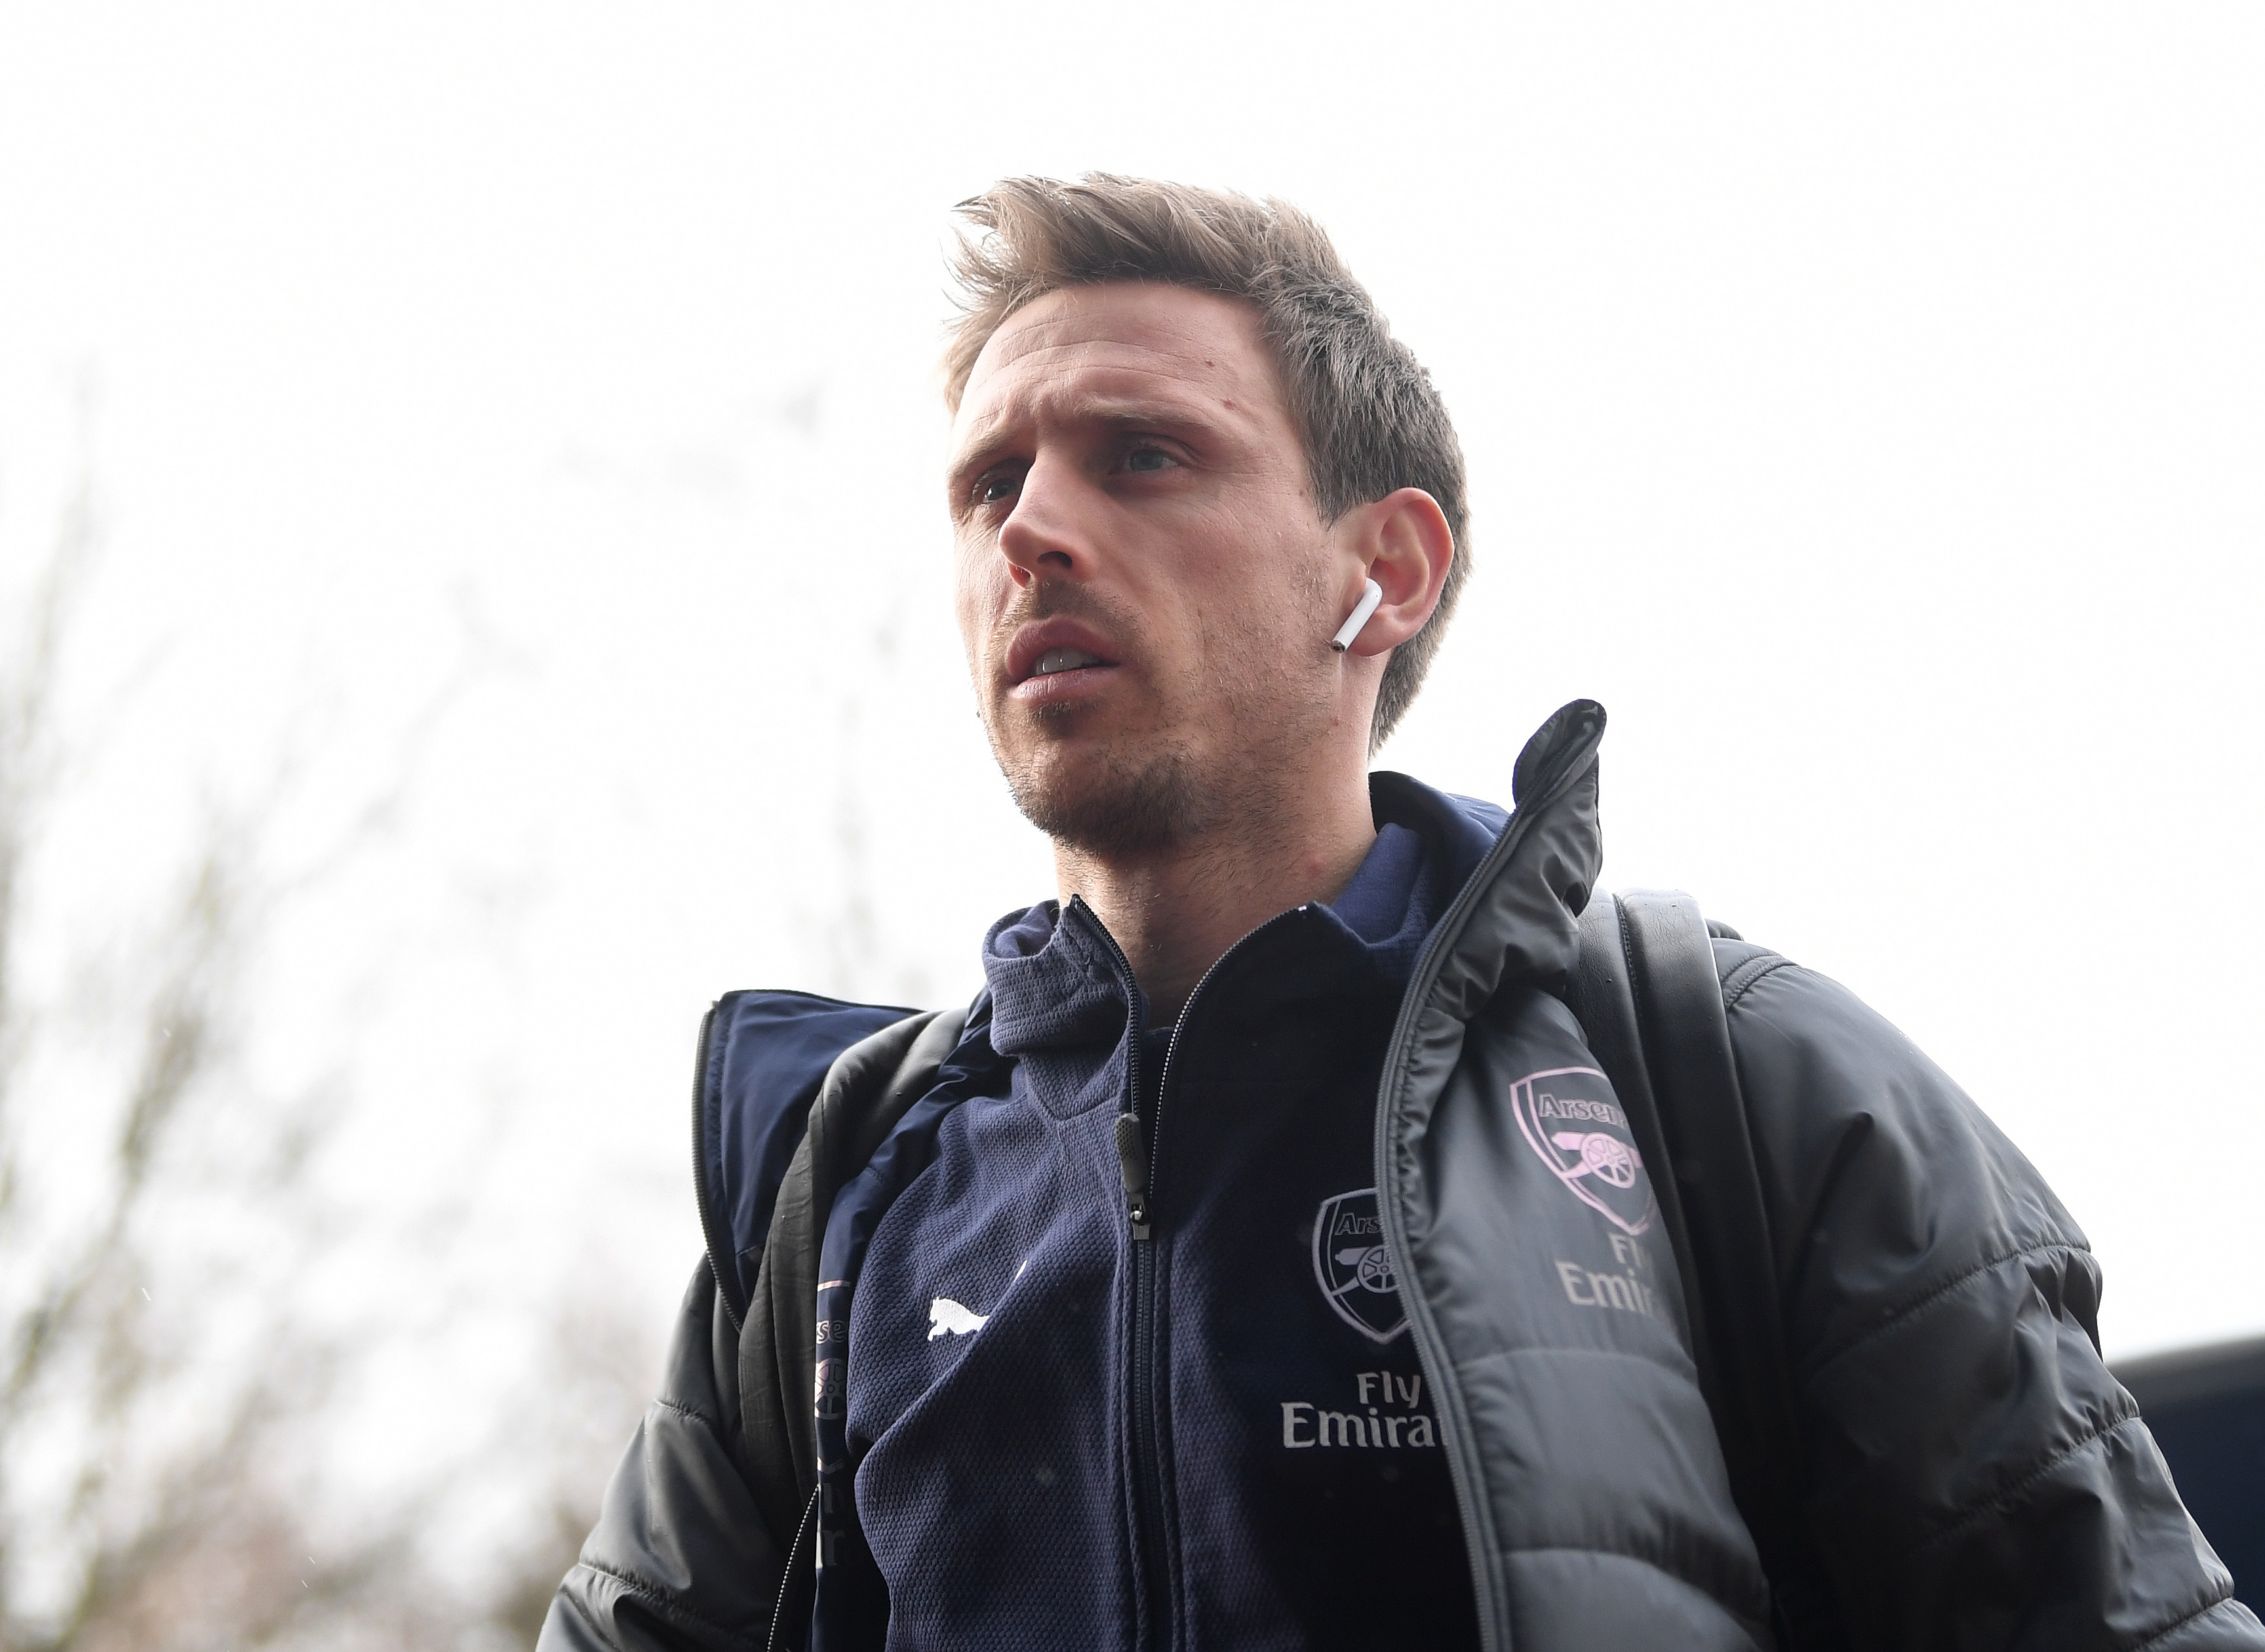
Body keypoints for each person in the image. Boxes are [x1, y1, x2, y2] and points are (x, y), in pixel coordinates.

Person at [539, 175, 2259, 1652]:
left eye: (1142, 456)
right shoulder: (840, 1196)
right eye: (991, 486)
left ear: (1390, 569)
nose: (1038, 531)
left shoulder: (1734, 1087)